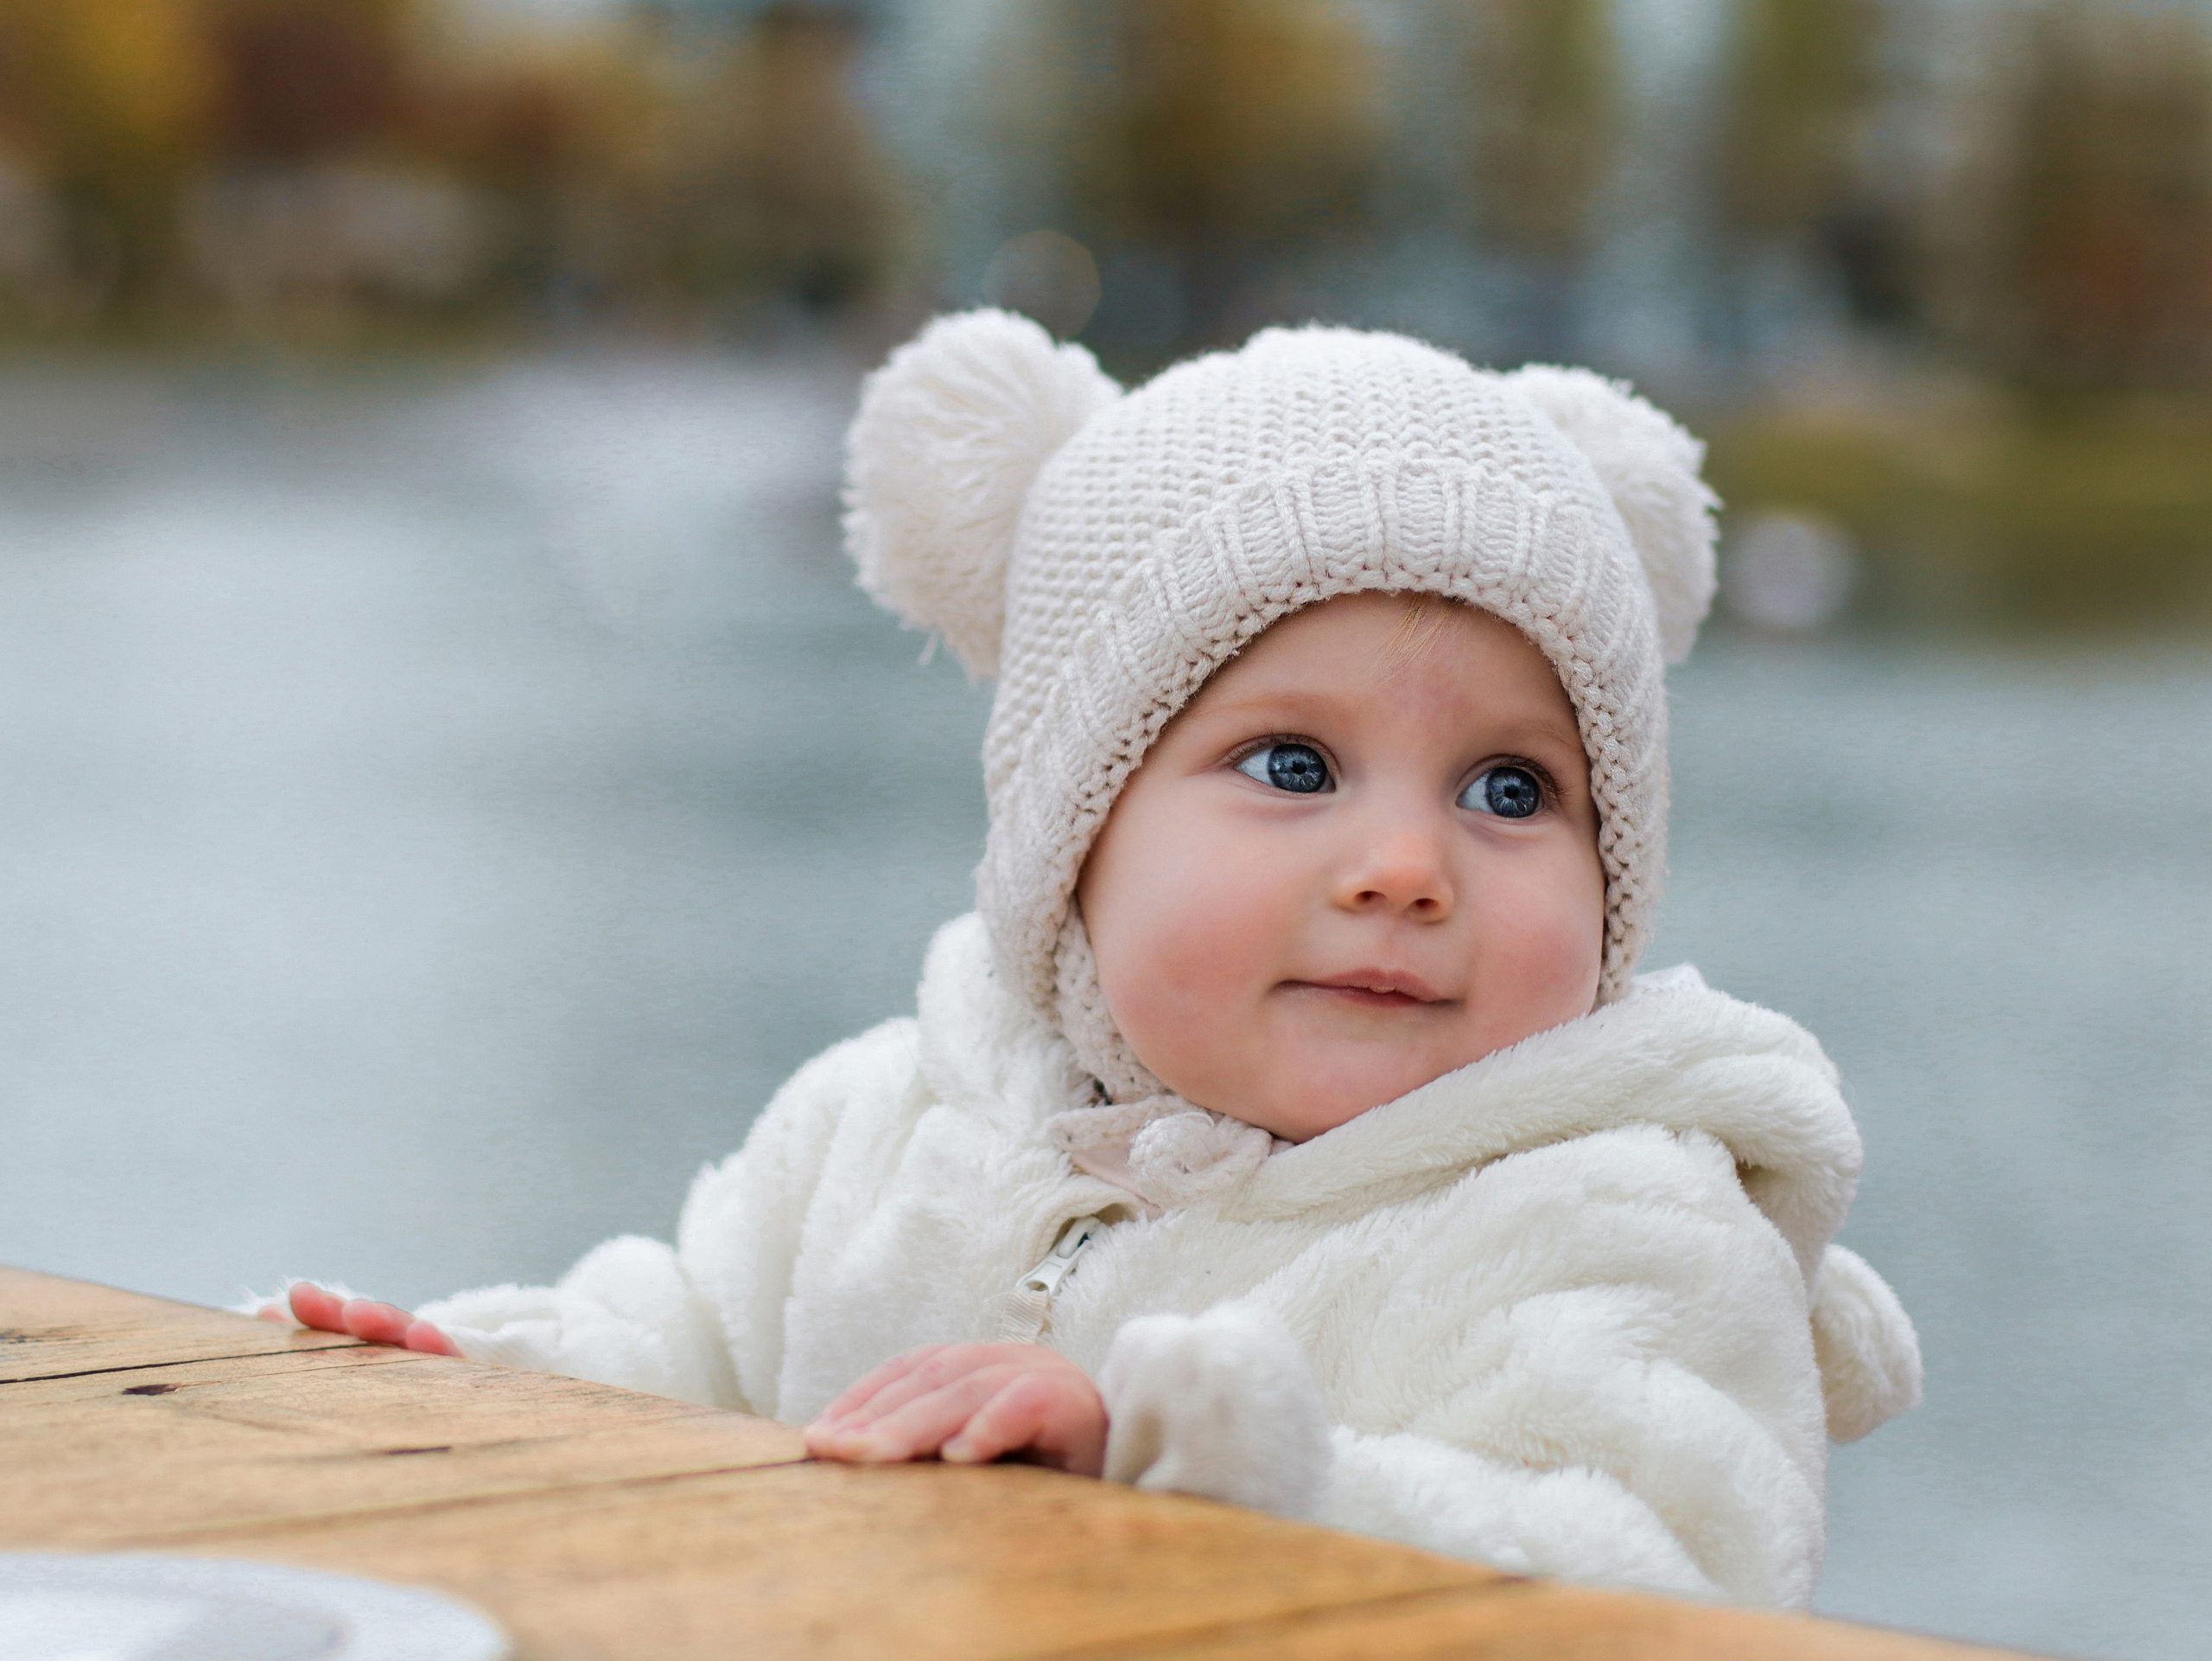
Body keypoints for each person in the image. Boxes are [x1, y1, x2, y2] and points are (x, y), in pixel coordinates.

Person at [254, 314, 1921, 1606]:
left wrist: (1234, 1479)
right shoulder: (897, 1120)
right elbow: (693, 1338)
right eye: (1293, 764)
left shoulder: (1615, 1219)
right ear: (1074, 839)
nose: (1408, 868)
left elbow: (1673, 1577)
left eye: (1511, 790)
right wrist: (486, 1383)